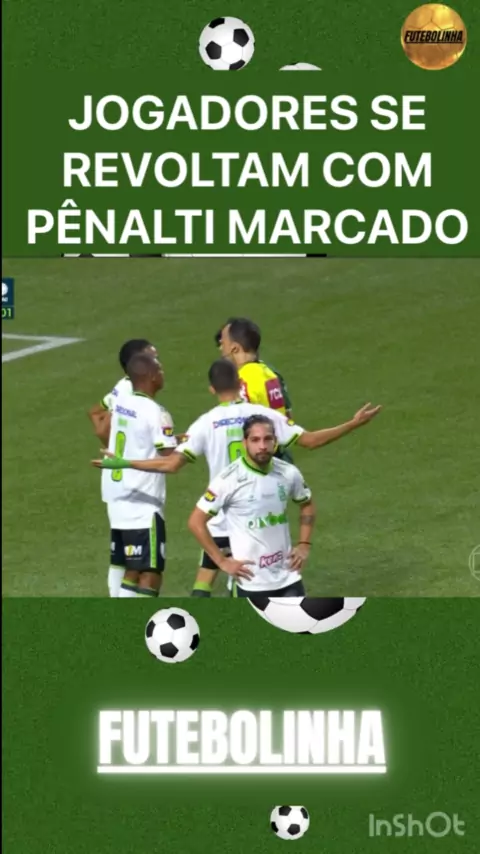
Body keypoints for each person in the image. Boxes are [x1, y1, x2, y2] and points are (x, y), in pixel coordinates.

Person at [95, 359, 381, 596]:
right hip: (251, 515)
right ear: (240, 383)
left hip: (218, 516)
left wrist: (125, 461)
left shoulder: (205, 422)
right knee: (249, 581)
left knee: (205, 581)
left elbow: (171, 464)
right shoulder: (263, 416)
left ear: (211, 388)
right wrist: (353, 423)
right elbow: (310, 440)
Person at [188, 414, 316, 598]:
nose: (262, 446)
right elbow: (196, 522)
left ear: (275, 441)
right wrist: (222, 561)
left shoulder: (288, 472)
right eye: (255, 440)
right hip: (250, 583)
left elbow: (307, 504)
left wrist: (304, 544)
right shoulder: (228, 480)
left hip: (288, 577)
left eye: (267, 439)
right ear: (244, 443)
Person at [101, 352, 177, 598]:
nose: (163, 374)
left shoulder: (122, 403)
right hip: (144, 503)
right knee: (150, 572)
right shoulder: (156, 412)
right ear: (152, 377)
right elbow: (170, 458)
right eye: (160, 370)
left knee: (131, 569)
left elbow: (140, 438)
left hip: (118, 496)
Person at [88, 338, 158, 596]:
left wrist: (115, 447)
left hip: (115, 482)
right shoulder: (133, 394)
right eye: (152, 357)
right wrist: (122, 451)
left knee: (119, 555)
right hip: (133, 487)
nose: (158, 362)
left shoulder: (121, 387)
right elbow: (100, 420)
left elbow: (96, 413)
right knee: (139, 563)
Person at [215, 318, 293, 417]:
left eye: (223, 344)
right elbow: (287, 417)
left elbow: (237, 421)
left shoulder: (242, 382)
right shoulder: (270, 374)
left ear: (235, 348)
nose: (221, 349)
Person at [88, 338, 158, 446]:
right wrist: (116, 450)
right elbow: (102, 431)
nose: (157, 364)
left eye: (157, 358)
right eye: (151, 359)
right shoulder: (129, 391)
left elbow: (95, 412)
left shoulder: (126, 385)